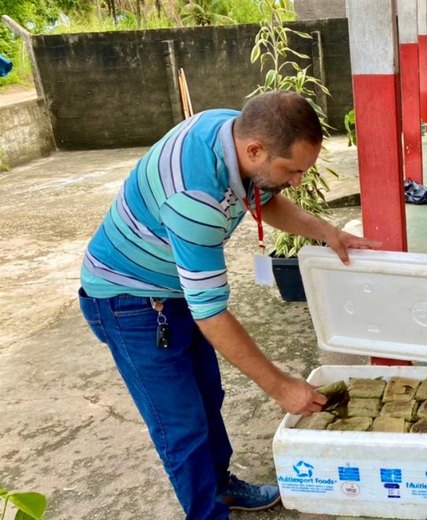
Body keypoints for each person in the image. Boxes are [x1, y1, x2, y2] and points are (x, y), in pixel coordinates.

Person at [78, 90, 378, 518]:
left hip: (175, 285)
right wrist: (280, 386)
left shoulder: (231, 128)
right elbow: (212, 315)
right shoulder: (194, 199)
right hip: (129, 300)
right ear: (254, 149)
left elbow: (264, 197)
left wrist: (326, 232)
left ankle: (220, 487)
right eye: (292, 171)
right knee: (182, 426)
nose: (297, 182)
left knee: (207, 395)